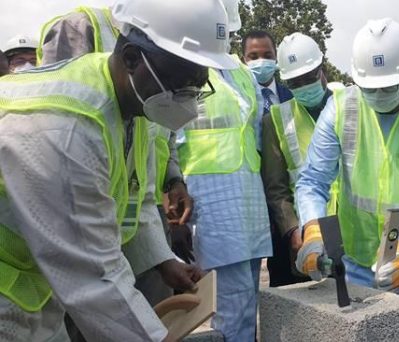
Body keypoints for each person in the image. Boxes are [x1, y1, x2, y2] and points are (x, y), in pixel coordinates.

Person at [0, 0, 236, 340]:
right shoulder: (66, 130)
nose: (188, 98)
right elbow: (96, 277)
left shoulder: (132, 102)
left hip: (35, 289)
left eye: (198, 84)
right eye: (181, 81)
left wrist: (161, 259)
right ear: (131, 58)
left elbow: (136, 196)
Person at [36, 5, 194, 308]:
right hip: (84, 226)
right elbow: (65, 164)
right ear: (130, 58)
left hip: (138, 214)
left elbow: (149, 158)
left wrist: (162, 258)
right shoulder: (82, 28)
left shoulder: (171, 38)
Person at [295, 18, 399, 310]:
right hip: (357, 256)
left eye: (389, 87)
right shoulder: (341, 107)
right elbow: (313, 181)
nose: (379, 96)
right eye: (370, 88)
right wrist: (314, 232)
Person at [176, 0, 271, 340]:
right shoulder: (187, 67)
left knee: (249, 299)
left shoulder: (242, 73)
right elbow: (166, 139)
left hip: (248, 199)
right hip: (210, 200)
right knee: (230, 305)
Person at [260, 32, 334, 287]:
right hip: (305, 229)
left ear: (321, 70)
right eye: (295, 83)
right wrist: (292, 231)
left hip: (346, 225)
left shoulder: (349, 109)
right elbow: (276, 188)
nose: (304, 87)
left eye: (308, 78)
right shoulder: (276, 120)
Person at [242, 30, 293, 116]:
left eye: (267, 56)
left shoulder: (291, 96)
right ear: (243, 60)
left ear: (276, 56)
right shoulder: (240, 99)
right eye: (254, 57)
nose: (261, 62)